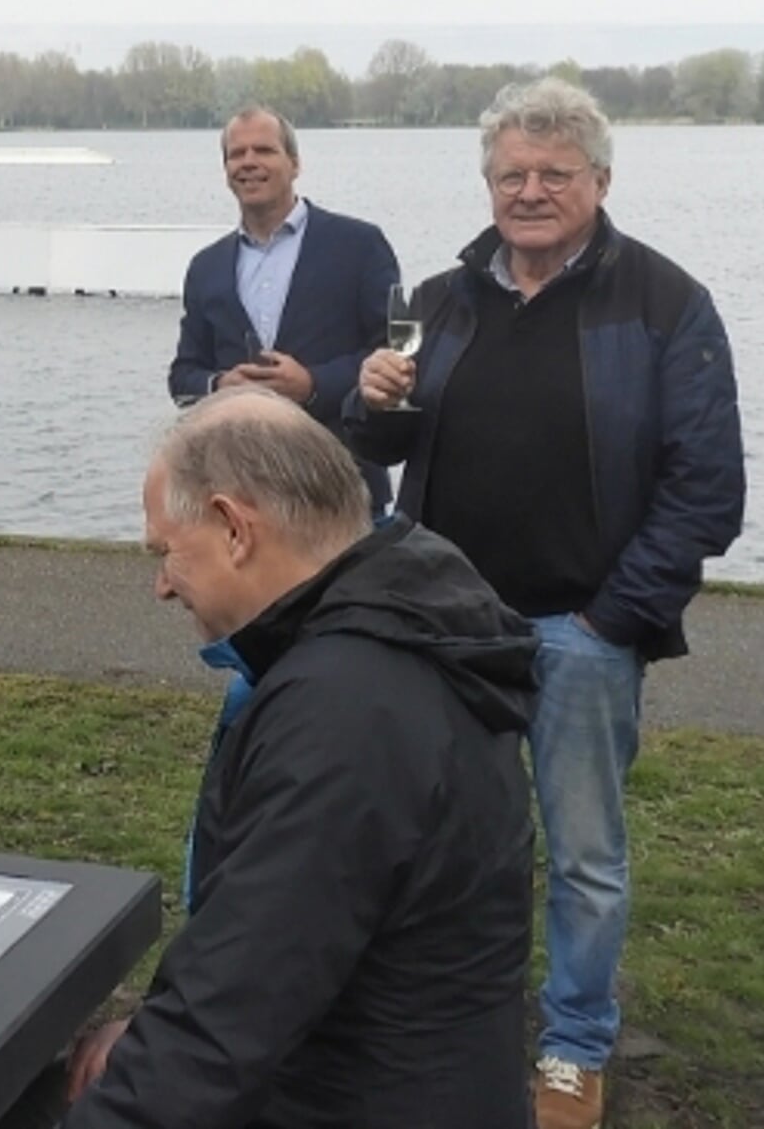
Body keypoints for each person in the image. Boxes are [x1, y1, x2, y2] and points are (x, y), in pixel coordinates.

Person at [346, 77, 745, 1129]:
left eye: (552, 173)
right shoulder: (437, 298)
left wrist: (610, 617)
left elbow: (706, 486)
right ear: (486, 184)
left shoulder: (664, 302)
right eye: (509, 173)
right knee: (438, 836)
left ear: (598, 181)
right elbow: (376, 453)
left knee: (582, 854)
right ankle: (443, 1012)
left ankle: (571, 1043)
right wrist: (367, 402)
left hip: (579, 629)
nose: (529, 190)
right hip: (445, 628)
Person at [63, 387, 538, 1128]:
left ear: (231, 527)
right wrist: (153, 1031)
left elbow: (227, 1020)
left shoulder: (346, 711)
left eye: (165, 552)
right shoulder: (393, 626)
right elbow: (278, 949)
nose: (160, 585)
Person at [168, 106, 399, 516]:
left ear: (294, 163)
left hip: (341, 487)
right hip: (240, 495)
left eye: (264, 150)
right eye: (236, 155)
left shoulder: (359, 245)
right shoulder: (206, 267)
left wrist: (313, 384)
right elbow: (184, 376)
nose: (249, 163)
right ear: (225, 170)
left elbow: (395, 355)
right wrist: (221, 386)